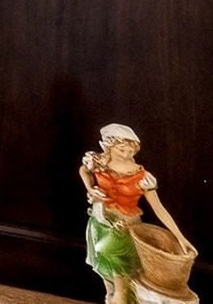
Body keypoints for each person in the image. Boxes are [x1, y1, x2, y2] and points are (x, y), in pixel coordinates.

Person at [80, 124, 195, 304]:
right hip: (99, 222)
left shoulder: (142, 177)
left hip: (124, 228)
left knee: (119, 278)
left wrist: (181, 238)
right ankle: (111, 297)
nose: (126, 154)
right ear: (109, 146)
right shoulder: (99, 161)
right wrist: (90, 188)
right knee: (106, 274)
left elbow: (159, 209)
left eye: (130, 150)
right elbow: (84, 170)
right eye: (122, 149)